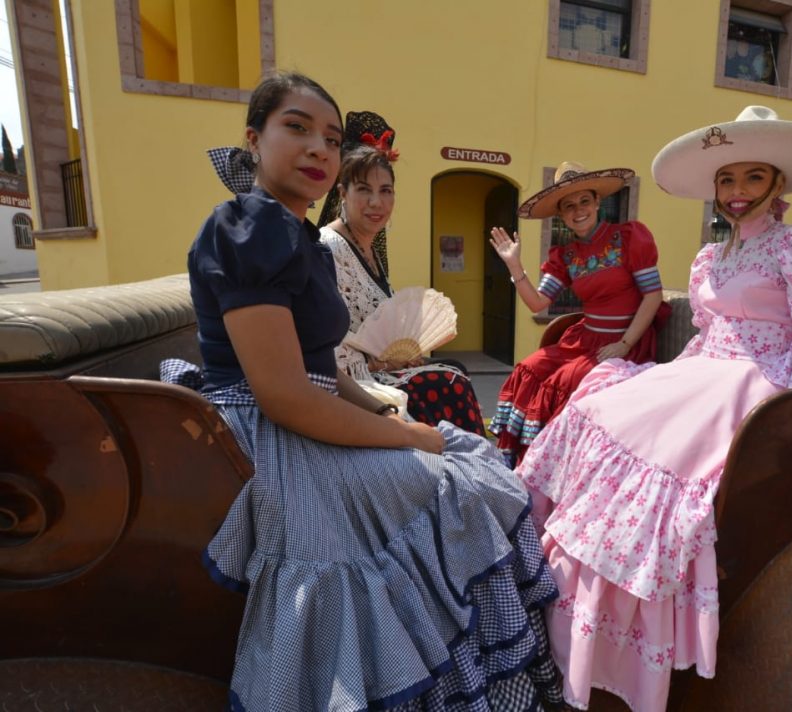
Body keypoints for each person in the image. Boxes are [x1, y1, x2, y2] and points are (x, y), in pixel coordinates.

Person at [180, 72, 561, 710]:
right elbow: (283, 395)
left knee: (470, 451)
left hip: (308, 407)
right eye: (296, 128)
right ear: (254, 139)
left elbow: (317, 371)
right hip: (273, 432)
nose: (318, 150)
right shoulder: (249, 227)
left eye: (330, 138)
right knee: (464, 484)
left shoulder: (296, 234)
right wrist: (403, 433)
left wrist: (384, 406)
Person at [516, 106, 792, 712]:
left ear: (777, 183)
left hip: (761, 378)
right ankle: (558, 585)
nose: (736, 193)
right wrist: (670, 374)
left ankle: (629, 625)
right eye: (727, 180)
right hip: (705, 369)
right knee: (599, 407)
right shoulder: (712, 258)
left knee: (665, 467)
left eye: (752, 178)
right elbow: (710, 332)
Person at [488, 162, 668, 465]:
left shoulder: (629, 238)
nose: (578, 210)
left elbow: (653, 296)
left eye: (584, 201)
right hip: (584, 340)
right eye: (568, 206)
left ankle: (556, 463)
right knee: (529, 368)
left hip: (626, 341)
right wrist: (514, 265)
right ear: (561, 215)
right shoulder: (566, 256)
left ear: (598, 202)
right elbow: (538, 303)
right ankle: (521, 459)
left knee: (565, 380)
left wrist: (624, 344)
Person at [318, 111, 486, 435]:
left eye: (386, 191)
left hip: (380, 374)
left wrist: (396, 359)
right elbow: (324, 350)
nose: (376, 202)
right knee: (451, 385)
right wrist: (380, 363)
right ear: (342, 193)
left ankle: (474, 468)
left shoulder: (372, 252)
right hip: (353, 388)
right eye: (364, 190)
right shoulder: (327, 248)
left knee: (455, 370)